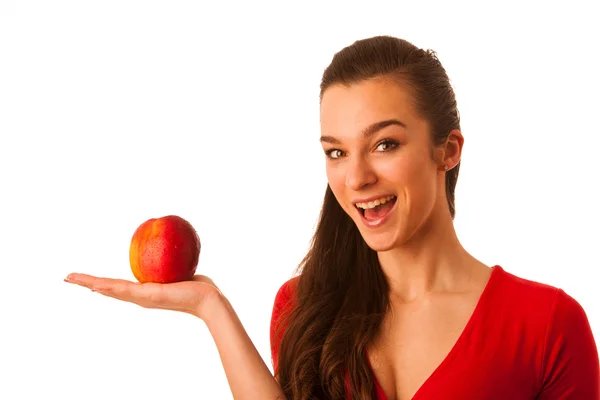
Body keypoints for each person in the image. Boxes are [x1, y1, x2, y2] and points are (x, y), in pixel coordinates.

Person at [64, 35, 599, 400]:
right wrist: (211, 308)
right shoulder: (303, 308)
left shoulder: (547, 324)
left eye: (384, 143)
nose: (357, 177)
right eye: (337, 152)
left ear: (448, 150)